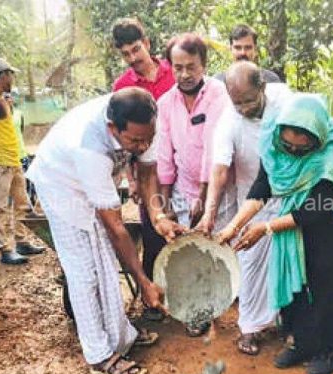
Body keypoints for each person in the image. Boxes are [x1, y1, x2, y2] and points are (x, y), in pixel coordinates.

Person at [27, 87, 186, 374]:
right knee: (85, 274)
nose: (143, 145)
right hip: (62, 185)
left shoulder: (146, 123)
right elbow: (117, 229)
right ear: (113, 128)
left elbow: (148, 173)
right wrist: (144, 282)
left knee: (104, 263)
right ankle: (99, 356)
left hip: (91, 180)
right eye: (135, 141)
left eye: (147, 138)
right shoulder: (89, 147)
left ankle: (120, 335)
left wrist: (158, 216)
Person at [218, 94, 333, 374]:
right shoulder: (273, 141)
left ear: (317, 140)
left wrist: (265, 228)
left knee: (326, 284)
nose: (291, 153)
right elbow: (262, 188)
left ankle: (328, 350)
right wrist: (233, 226)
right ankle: (302, 342)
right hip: (296, 226)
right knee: (299, 284)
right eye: (287, 145)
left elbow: (315, 209)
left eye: (302, 150)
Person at [197, 61, 291, 355]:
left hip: (291, 197)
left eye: (249, 100)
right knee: (250, 265)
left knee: (290, 262)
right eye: (238, 103)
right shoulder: (229, 120)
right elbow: (220, 169)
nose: (244, 108)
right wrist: (210, 213)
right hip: (253, 199)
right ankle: (249, 328)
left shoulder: (286, 102)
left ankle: (288, 322)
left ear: (262, 87)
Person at [157, 33, 237, 335]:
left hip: (218, 188)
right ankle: (197, 310)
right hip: (182, 188)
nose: (185, 74)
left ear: (204, 64)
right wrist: (164, 206)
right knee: (188, 251)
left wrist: (205, 200)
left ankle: (220, 303)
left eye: (191, 67)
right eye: (178, 67)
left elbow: (214, 150)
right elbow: (164, 154)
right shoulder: (165, 103)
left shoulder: (219, 95)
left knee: (214, 247)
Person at [112, 17, 176, 320]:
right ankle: (154, 299)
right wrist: (131, 180)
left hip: (179, 167)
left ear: (147, 44)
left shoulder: (175, 72)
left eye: (136, 49)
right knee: (152, 235)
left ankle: (183, 291)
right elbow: (123, 141)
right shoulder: (122, 87)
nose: (133, 58)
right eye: (125, 54)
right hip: (147, 172)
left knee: (181, 229)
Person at [0, 57, 44, 265]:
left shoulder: (0, 98)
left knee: (22, 204)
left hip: (13, 160)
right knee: (0, 206)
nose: (12, 78)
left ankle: (21, 241)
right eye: (10, 74)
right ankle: (5, 249)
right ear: (3, 75)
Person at [214, 24, 281, 83]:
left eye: (248, 47)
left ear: (255, 49)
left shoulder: (270, 80)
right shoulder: (218, 82)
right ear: (231, 49)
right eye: (238, 48)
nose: (243, 53)